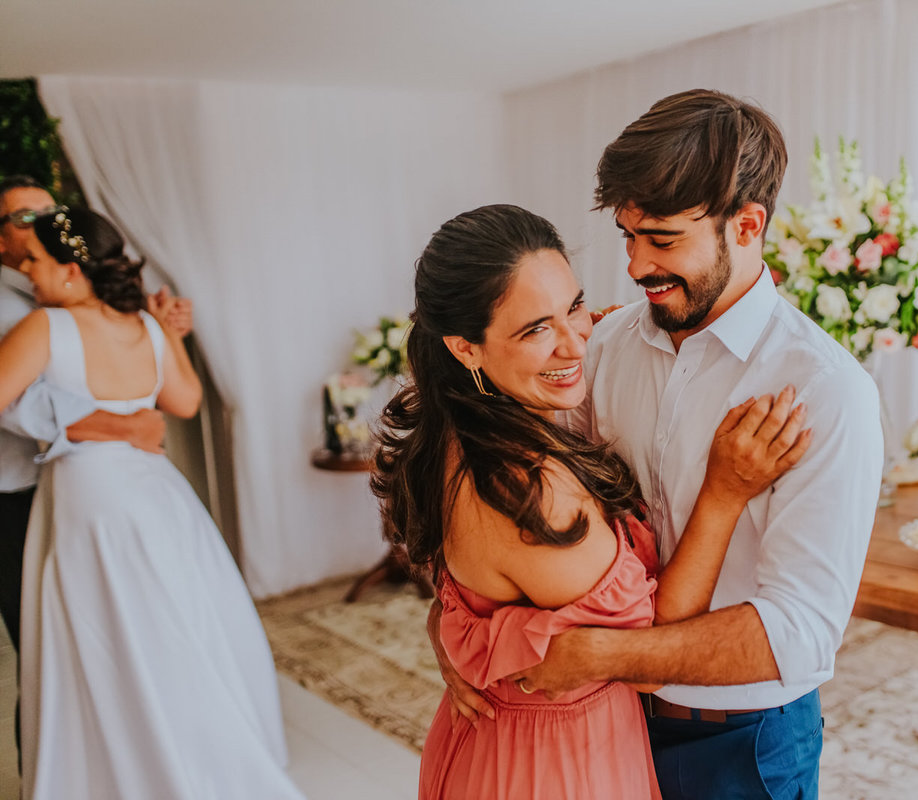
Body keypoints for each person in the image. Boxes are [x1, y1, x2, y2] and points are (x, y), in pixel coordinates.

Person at [499, 89, 885, 799]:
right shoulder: (608, 344)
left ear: (747, 225)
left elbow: (800, 632)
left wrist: (604, 655)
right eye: (629, 237)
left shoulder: (827, 390)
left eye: (664, 240)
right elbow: (537, 510)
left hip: (745, 744)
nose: (638, 265)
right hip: (604, 723)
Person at [371, 204, 810, 800]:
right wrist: (724, 492)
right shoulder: (529, 485)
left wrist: (454, 632)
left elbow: (469, 586)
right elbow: (654, 644)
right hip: (554, 767)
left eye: (573, 306)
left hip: (503, 744)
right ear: (465, 348)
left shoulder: (455, 429)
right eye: (535, 329)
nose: (577, 342)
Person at [0, 206, 303, 799]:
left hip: (94, 502)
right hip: (157, 496)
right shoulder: (141, 323)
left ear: (70, 270)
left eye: (34, 260)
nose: (26, 273)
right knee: (167, 626)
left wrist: (77, 425)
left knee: (103, 637)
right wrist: (159, 344)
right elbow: (183, 401)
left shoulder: (46, 327)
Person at [0, 176, 184, 657]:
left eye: (49, 211)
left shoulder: (64, 308)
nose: (42, 222)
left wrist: (166, 331)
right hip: (14, 485)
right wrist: (119, 424)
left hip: (96, 484)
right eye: (26, 217)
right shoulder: (36, 312)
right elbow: (19, 399)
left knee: (122, 620)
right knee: (50, 637)